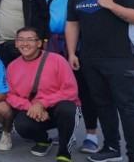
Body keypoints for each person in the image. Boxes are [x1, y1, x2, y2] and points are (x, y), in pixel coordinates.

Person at [66, 0, 134, 162]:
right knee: (102, 104)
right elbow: (72, 24)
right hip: (90, 59)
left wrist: (111, 5)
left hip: (122, 58)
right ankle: (112, 147)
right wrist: (72, 53)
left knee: (127, 106)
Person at [39, 0, 100, 154]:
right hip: (56, 45)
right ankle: (65, 130)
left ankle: (91, 135)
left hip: (79, 43)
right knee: (61, 91)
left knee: (84, 90)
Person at [7, 27, 80, 162]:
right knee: (21, 125)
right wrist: (29, 106)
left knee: (67, 108)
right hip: (33, 108)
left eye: (30, 40)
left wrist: (42, 103)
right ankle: (43, 140)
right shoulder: (12, 66)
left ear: (39, 43)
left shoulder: (57, 60)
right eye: (21, 40)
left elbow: (70, 91)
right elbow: (10, 95)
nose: (25, 44)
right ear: (16, 43)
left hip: (58, 106)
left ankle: (64, 152)